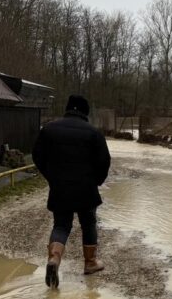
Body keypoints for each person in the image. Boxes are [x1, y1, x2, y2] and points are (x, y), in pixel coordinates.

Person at [32, 95, 112, 288]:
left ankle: (54, 259)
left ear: (67, 109)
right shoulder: (94, 133)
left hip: (60, 187)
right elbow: (104, 162)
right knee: (88, 223)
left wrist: (52, 177)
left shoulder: (49, 130)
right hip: (86, 187)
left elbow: (37, 156)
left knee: (61, 225)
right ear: (86, 113)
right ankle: (90, 263)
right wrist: (96, 181)